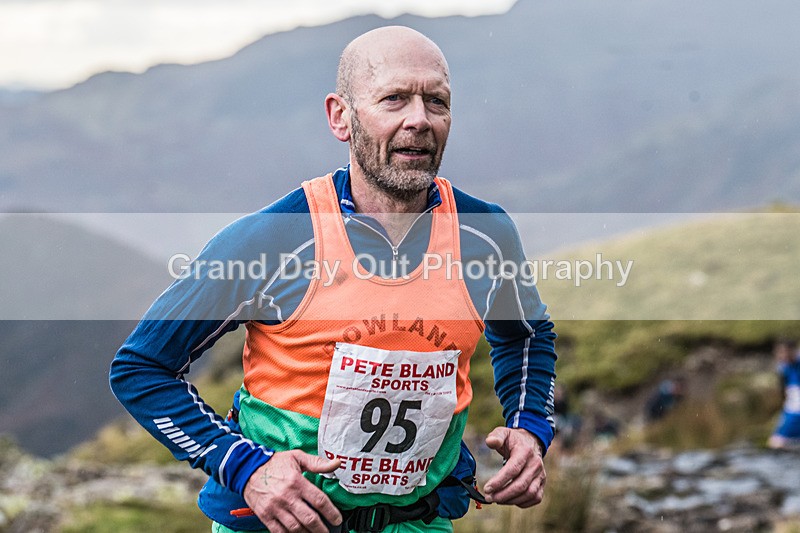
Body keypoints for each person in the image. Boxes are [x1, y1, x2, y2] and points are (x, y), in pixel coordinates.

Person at [110, 26, 557, 533]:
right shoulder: (273, 239)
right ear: (340, 117)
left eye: (437, 101)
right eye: (394, 99)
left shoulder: (485, 235)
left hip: (418, 522)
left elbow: (527, 336)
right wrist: (246, 468)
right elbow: (142, 368)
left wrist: (529, 428)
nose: (419, 119)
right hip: (274, 524)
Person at [767, 338, 800, 449]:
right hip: (791, 410)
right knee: (775, 443)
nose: (780, 355)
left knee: (776, 443)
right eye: (778, 352)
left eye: (783, 352)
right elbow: (785, 391)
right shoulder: (784, 368)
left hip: (795, 412)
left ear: (792, 350)